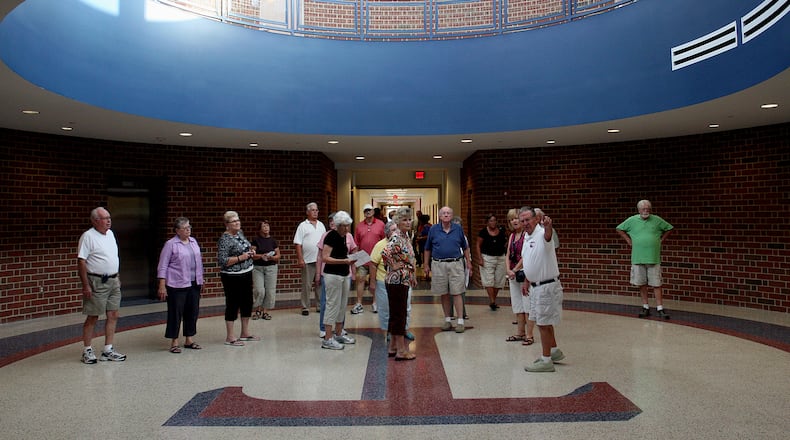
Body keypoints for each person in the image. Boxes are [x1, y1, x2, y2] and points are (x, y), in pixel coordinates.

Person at [77, 207, 127, 364]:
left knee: (113, 315)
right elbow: (81, 261)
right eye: (105, 218)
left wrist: (116, 276)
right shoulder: (88, 236)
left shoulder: (110, 234)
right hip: (96, 281)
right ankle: (87, 350)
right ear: (95, 221)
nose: (109, 221)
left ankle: (108, 349)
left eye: (109, 217)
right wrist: (86, 285)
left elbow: (112, 257)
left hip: (112, 280)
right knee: (93, 315)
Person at [519, 206, 565, 373]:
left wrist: (548, 226)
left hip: (546, 286)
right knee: (544, 321)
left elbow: (547, 236)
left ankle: (546, 360)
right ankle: (553, 352)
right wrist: (526, 281)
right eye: (522, 221)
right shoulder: (526, 236)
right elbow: (530, 260)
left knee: (543, 324)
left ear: (536, 219)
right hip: (536, 285)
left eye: (528, 220)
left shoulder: (542, 233)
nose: (525, 223)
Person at [616, 199, 674, 319]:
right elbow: (619, 229)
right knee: (641, 283)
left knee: (656, 283)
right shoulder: (632, 220)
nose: (645, 211)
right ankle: (645, 306)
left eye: (648, 208)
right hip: (638, 257)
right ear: (639, 210)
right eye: (643, 209)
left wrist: (661, 240)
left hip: (653, 257)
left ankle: (660, 308)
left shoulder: (657, 220)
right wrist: (628, 240)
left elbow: (669, 228)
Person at [156, 217, 204, 353]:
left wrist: (201, 279)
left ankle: (189, 339)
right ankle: (174, 341)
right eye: (185, 228)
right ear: (177, 231)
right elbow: (163, 265)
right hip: (176, 284)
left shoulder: (194, 241)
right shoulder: (171, 244)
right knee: (176, 313)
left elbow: (198, 262)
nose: (188, 229)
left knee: (192, 311)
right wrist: (162, 284)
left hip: (194, 282)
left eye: (189, 227)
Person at [423, 206, 471, 333]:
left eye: (448, 213)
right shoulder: (433, 229)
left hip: (456, 264)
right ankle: (447, 319)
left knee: (457, 292)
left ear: (451, 215)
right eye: (443, 213)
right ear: (439, 216)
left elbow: (465, 247)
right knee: (444, 293)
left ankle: (460, 321)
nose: (446, 215)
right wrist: (426, 265)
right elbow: (427, 248)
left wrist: (469, 263)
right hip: (439, 264)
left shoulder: (458, 229)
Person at [217, 211, 260, 347]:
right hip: (231, 276)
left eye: (238, 220)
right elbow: (222, 261)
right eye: (233, 221)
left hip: (246, 272)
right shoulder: (224, 239)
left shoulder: (239, 234)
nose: (237, 223)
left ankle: (245, 333)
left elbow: (245, 248)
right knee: (233, 303)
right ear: (227, 225)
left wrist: (250, 253)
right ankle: (230, 336)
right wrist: (241, 258)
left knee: (247, 302)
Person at [381, 207, 418, 360]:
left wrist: (413, 275)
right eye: (404, 220)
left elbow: (409, 258)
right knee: (399, 315)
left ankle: (393, 347)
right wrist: (393, 265)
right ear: (398, 221)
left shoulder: (406, 236)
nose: (408, 222)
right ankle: (401, 351)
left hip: (403, 279)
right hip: (397, 280)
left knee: (396, 314)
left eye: (409, 219)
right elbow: (385, 252)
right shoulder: (397, 236)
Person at [316, 212, 357, 338]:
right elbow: (325, 258)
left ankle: (339, 334)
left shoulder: (345, 236)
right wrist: (344, 261)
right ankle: (328, 337)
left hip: (345, 274)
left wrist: (353, 259)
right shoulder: (331, 236)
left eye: (348, 226)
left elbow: (345, 253)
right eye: (344, 226)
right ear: (338, 225)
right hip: (332, 275)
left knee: (342, 305)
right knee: (332, 305)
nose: (347, 229)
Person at [504, 208, 535, 346]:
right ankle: (520, 332)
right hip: (513, 274)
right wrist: (508, 269)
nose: (514, 221)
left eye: (516, 218)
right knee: (517, 305)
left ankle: (529, 335)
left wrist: (515, 270)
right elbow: (508, 254)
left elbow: (526, 255)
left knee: (527, 305)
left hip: (524, 274)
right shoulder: (512, 236)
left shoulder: (527, 235)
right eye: (511, 219)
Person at [293, 202, 326, 316]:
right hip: (307, 260)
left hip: (320, 260)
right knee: (307, 285)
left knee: (319, 284)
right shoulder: (303, 225)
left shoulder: (321, 225)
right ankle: (305, 306)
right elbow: (298, 243)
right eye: (313, 210)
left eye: (317, 210)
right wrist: (300, 259)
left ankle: (319, 305)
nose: (315, 212)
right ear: (307, 212)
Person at [352, 203, 385, 314]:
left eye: (369, 210)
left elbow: (385, 241)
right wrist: (355, 259)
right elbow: (356, 243)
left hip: (376, 258)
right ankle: (359, 303)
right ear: (363, 213)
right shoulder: (359, 226)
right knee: (360, 279)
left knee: (375, 281)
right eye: (365, 211)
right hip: (362, 256)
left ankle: (375, 303)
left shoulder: (381, 224)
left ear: (373, 212)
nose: (367, 212)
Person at [476, 213, 507, 310]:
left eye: (494, 220)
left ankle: (494, 298)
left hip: (500, 257)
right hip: (487, 257)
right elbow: (478, 245)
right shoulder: (483, 232)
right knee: (489, 280)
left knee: (499, 280)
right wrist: (480, 258)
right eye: (491, 221)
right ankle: (492, 301)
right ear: (487, 222)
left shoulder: (502, 231)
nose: (493, 222)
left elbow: (506, 241)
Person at [251, 220, 280, 321]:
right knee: (260, 290)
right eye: (264, 226)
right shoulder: (255, 240)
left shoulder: (273, 241)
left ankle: (265, 312)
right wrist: (261, 256)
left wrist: (271, 257)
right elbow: (252, 255)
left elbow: (278, 255)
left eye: (267, 226)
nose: (266, 228)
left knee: (269, 290)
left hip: (271, 267)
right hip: (258, 268)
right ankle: (257, 309)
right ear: (259, 229)